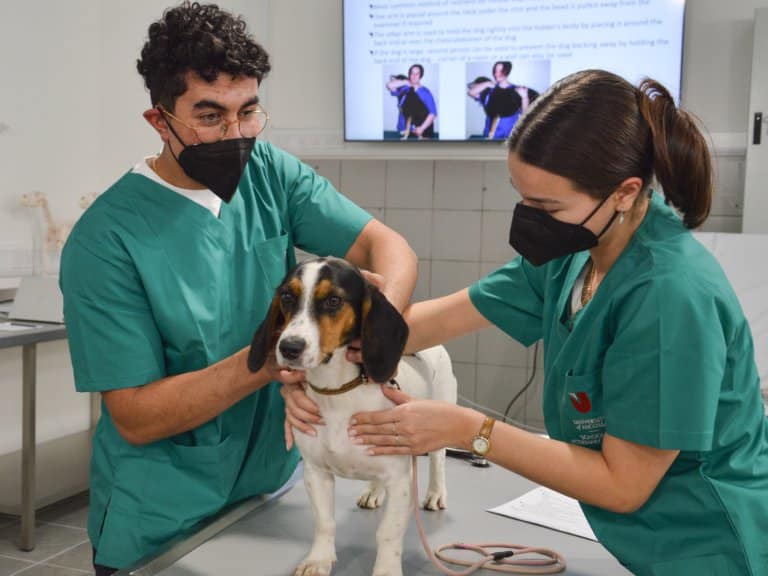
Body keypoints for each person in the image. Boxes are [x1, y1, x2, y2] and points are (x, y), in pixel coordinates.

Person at [288, 70, 768, 575]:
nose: (529, 216)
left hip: (713, 546)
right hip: (648, 546)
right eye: (521, 197)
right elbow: (443, 318)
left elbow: (624, 486)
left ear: (624, 193)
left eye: (546, 205)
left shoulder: (670, 296)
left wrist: (466, 428)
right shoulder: (576, 250)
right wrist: (326, 352)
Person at [59, 2, 417, 574]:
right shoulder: (106, 240)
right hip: (163, 517)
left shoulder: (269, 171)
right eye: (209, 115)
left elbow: (387, 248)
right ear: (159, 120)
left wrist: (376, 334)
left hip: (270, 489)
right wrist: (275, 358)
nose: (236, 134)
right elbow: (135, 415)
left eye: (248, 111)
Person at [467, 61, 539, 139]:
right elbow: (471, 92)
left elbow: (525, 113)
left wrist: (524, 97)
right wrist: (487, 83)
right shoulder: (489, 90)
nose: (497, 74)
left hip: (509, 136)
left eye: (501, 71)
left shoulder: (517, 90)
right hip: (489, 137)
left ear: (507, 71)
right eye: (495, 71)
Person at [385, 64, 437, 139]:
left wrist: (421, 128)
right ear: (409, 74)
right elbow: (389, 85)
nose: (414, 76)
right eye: (412, 73)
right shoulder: (404, 88)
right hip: (403, 132)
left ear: (421, 76)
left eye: (417, 74)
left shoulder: (425, 92)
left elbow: (433, 114)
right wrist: (405, 82)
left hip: (419, 131)